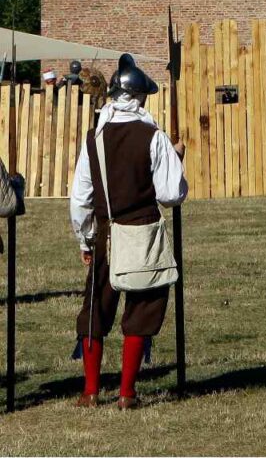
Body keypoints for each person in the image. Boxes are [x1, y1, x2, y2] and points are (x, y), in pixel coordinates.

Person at [69, 54, 187, 409]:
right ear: (139, 98)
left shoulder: (95, 138)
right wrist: (176, 158)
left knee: (95, 310)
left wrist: (85, 238)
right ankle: (126, 393)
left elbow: (79, 199)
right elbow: (171, 195)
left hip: (105, 234)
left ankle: (91, 391)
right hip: (143, 233)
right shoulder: (154, 136)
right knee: (143, 307)